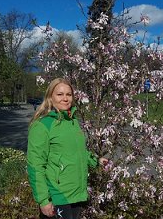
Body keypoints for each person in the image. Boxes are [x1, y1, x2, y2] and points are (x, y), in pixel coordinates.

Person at [27, 78, 107, 219]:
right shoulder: (42, 125)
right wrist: (43, 200)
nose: (65, 98)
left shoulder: (72, 122)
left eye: (69, 95)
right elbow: (35, 165)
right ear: (50, 96)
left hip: (76, 193)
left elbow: (78, 151)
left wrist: (96, 160)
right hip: (58, 195)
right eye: (60, 94)